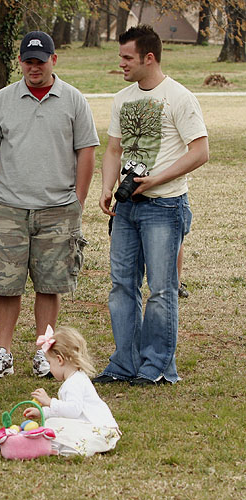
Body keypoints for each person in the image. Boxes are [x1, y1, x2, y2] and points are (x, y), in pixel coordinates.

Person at [0, 31, 99, 378]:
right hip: (8, 207)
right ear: (20, 62)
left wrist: (78, 199)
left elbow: (86, 151)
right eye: (28, 61)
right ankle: (3, 353)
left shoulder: (74, 100)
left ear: (53, 61)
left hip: (58, 208)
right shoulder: (2, 100)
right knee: (6, 284)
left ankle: (44, 353)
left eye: (41, 61)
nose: (34, 67)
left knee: (49, 285)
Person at [95, 25, 208, 386]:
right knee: (121, 286)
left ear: (149, 57)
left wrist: (156, 179)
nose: (122, 63)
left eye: (127, 57)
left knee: (161, 289)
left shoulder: (179, 97)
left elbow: (200, 151)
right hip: (126, 209)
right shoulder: (122, 98)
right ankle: (124, 364)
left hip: (165, 206)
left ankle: (157, 367)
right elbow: (114, 149)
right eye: (120, 57)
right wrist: (107, 186)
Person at [23, 326, 121, 457]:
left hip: (99, 431)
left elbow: (72, 411)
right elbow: (64, 412)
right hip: (101, 431)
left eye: (50, 363)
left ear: (60, 360)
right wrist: (42, 412)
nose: (50, 368)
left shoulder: (74, 383)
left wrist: (49, 402)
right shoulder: (76, 378)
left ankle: (62, 448)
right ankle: (59, 446)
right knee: (53, 423)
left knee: (52, 425)